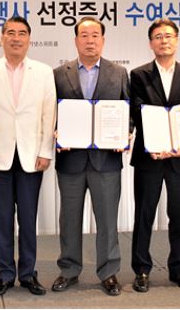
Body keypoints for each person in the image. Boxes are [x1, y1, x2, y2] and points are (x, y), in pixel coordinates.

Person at [0, 16, 56, 297]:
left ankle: (28, 274)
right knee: (2, 218)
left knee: (28, 219)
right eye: (10, 32)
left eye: (21, 33)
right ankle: (5, 274)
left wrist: (45, 151)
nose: (16, 38)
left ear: (29, 39)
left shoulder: (43, 72)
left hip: (32, 156)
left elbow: (49, 113)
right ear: (2, 38)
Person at [51, 16, 129, 296]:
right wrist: (55, 133)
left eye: (95, 35)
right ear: (76, 41)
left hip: (106, 161)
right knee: (69, 220)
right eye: (84, 35)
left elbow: (127, 111)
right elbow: (51, 113)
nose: (90, 40)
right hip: (70, 160)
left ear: (103, 40)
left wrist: (125, 133)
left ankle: (108, 272)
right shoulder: (59, 74)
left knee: (107, 220)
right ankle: (69, 270)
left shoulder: (119, 73)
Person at [130, 19, 180, 293]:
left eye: (169, 36)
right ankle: (141, 270)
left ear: (177, 40)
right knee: (144, 214)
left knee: (179, 215)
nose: (164, 41)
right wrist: (155, 142)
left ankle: (179, 269)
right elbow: (138, 111)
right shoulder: (139, 75)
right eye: (158, 37)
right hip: (149, 156)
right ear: (151, 43)